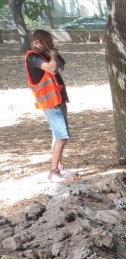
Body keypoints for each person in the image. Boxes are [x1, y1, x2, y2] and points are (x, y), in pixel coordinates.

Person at [25, 29, 70, 181]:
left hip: (58, 100)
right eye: (49, 42)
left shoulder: (44, 55)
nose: (52, 44)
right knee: (62, 137)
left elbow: (59, 66)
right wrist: (54, 55)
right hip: (50, 102)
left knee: (56, 136)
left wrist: (53, 55)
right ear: (38, 42)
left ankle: (60, 167)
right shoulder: (33, 57)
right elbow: (52, 68)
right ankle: (53, 172)